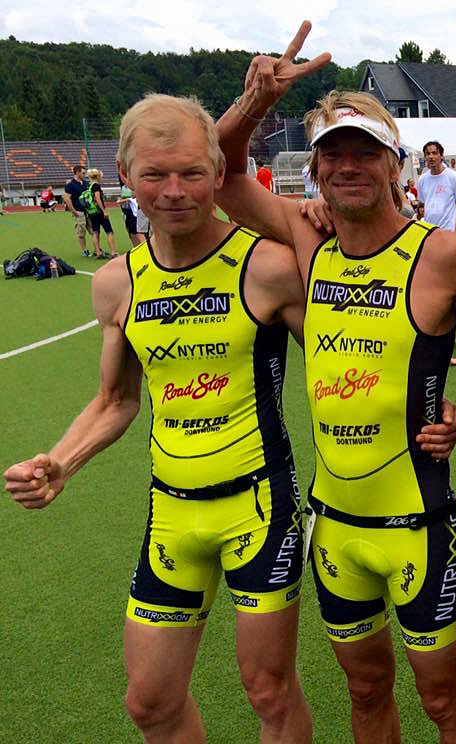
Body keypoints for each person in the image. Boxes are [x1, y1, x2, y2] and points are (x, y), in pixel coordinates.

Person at [5, 94, 314, 742]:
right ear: (125, 175)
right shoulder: (117, 283)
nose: (174, 192)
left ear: (216, 172)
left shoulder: (268, 266)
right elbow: (116, 399)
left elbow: (345, 357)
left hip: (260, 507)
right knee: (150, 701)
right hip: (171, 510)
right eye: (155, 175)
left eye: (192, 173)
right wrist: (62, 460)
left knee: (269, 691)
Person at [216, 24, 456, 742]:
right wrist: (254, 102)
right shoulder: (307, 239)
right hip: (334, 524)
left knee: (443, 700)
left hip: (419, 524)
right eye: (332, 154)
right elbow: (219, 174)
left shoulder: (444, 255)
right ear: (315, 169)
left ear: (394, 163)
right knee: (365, 691)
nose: (348, 167)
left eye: (365, 152)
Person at [418, 140, 456, 229]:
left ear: (441, 156)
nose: (431, 156)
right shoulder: (422, 179)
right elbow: (423, 204)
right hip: (430, 230)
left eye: (434, 153)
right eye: (428, 154)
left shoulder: (453, 177)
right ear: (425, 157)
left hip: (449, 229)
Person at [83, 168, 119, 259]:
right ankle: (113, 252)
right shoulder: (96, 186)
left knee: (95, 232)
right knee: (109, 231)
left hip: (92, 212)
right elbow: (97, 199)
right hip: (99, 211)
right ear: (97, 176)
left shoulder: (89, 186)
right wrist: (104, 211)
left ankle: (98, 252)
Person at [64, 164, 92, 256]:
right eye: (83, 173)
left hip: (89, 210)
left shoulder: (86, 183)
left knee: (94, 231)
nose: (85, 175)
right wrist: (73, 210)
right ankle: (84, 250)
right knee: (81, 233)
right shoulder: (70, 185)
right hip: (78, 211)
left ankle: (97, 249)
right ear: (77, 172)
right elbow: (67, 198)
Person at [117, 180, 146, 247]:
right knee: (133, 232)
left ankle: (144, 247)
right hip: (132, 214)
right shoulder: (125, 189)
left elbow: (119, 201)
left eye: (133, 191)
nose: (131, 193)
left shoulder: (132, 199)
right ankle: (138, 247)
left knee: (138, 233)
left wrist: (126, 199)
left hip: (136, 216)